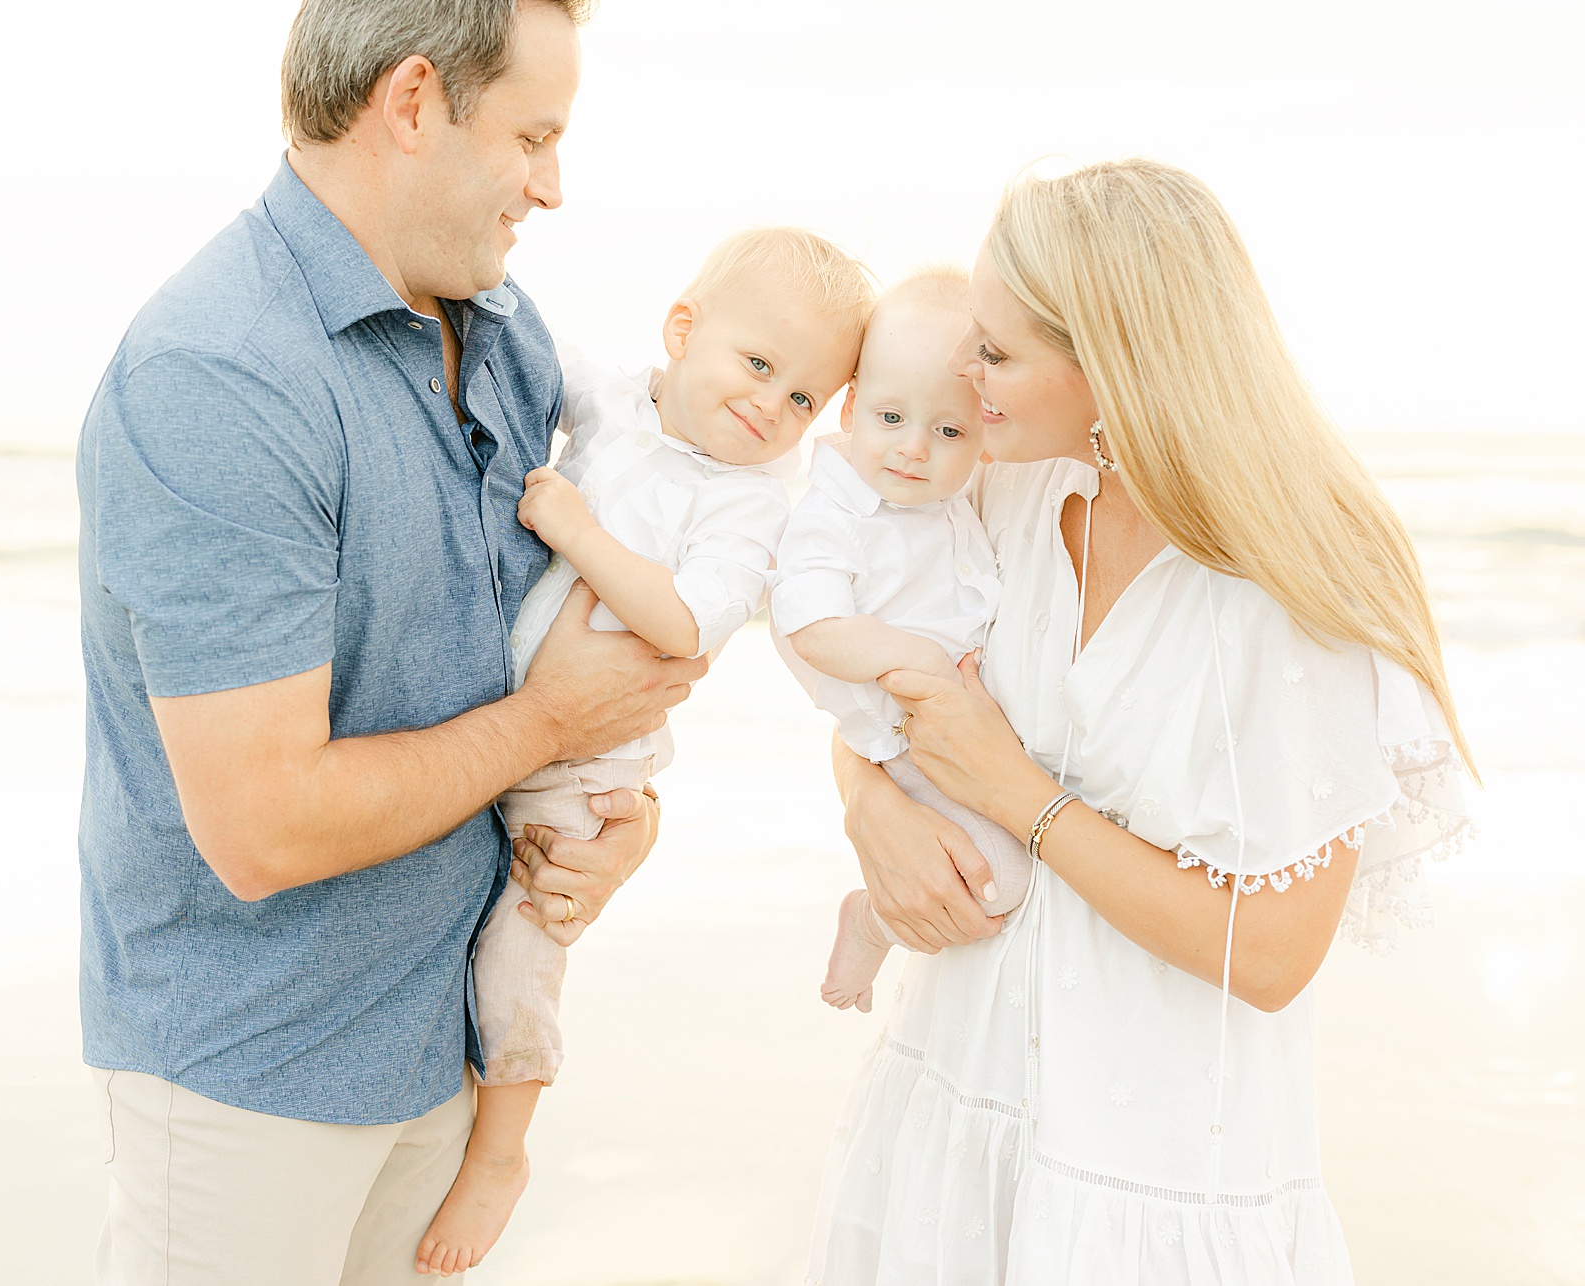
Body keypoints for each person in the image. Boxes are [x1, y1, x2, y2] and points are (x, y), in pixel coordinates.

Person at [73, 2, 708, 1282]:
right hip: (258, 1079)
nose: (554, 185)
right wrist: (550, 727)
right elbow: (266, 827)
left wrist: (606, 818)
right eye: (532, 135)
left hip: (446, 1046)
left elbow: (529, 649)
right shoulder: (219, 375)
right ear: (413, 102)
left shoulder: (505, 328)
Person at [807, 158, 1476, 1283]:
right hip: (955, 1099)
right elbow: (888, 693)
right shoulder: (1005, 493)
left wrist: (1017, 794)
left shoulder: (1290, 598)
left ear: (1113, 364)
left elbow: (1268, 954)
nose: (965, 380)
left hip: (1152, 1178)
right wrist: (868, 801)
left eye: (999, 353)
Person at [418, 226, 871, 1276]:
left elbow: (684, 624)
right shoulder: (622, 401)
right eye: (757, 365)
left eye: (804, 399)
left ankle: (501, 1148)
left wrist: (575, 531)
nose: (770, 406)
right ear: (681, 331)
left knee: (521, 952)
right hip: (497, 720)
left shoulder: (752, 501)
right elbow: (532, 350)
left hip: (586, 770)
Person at [768, 270, 1031, 1016]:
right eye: (890, 417)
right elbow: (811, 627)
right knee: (998, 882)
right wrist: (918, 664)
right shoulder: (836, 510)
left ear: (983, 440)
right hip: (909, 735)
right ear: (851, 409)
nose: (915, 449)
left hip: (955, 731)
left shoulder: (947, 502)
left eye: (948, 432)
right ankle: (873, 922)